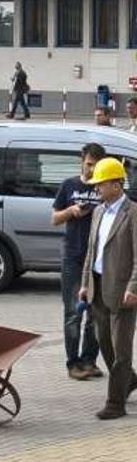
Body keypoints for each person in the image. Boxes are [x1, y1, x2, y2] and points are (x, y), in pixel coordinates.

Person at [78, 157, 137, 420]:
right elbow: (92, 251)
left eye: (101, 184)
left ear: (116, 184)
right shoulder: (99, 211)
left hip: (123, 290)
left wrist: (133, 287)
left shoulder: (133, 213)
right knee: (104, 343)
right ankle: (130, 379)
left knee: (121, 348)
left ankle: (115, 403)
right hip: (98, 286)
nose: (97, 189)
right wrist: (84, 284)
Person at [52, 144, 105, 380]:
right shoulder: (69, 185)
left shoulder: (104, 186)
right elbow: (54, 218)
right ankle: (73, 363)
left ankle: (89, 360)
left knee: (96, 313)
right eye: (89, 164)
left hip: (98, 260)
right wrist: (71, 211)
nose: (92, 169)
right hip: (74, 257)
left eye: (97, 165)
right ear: (81, 162)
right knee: (73, 312)